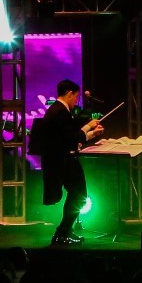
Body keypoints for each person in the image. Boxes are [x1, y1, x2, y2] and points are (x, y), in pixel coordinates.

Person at [35, 79, 103, 246]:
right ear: (69, 93)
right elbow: (72, 137)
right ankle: (62, 232)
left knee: (77, 195)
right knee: (79, 195)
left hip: (62, 160)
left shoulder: (58, 110)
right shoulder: (60, 111)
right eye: (76, 96)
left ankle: (66, 230)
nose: (76, 101)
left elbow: (69, 135)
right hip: (63, 161)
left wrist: (89, 131)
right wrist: (90, 129)